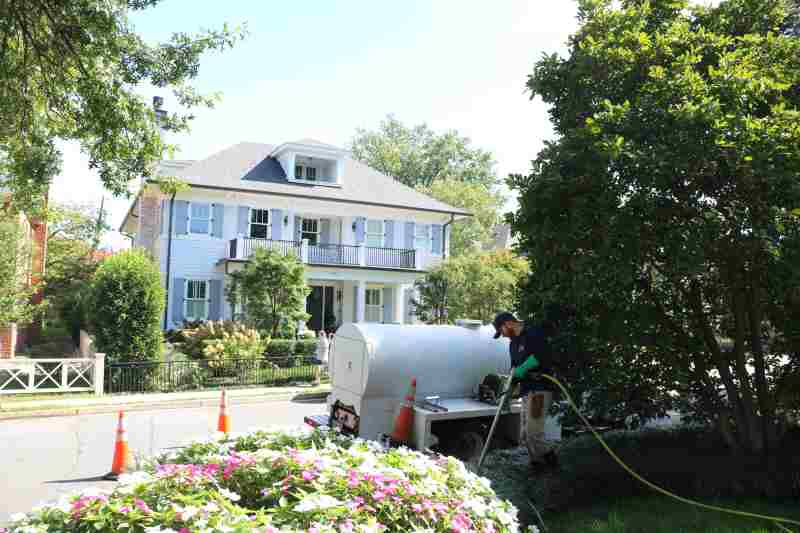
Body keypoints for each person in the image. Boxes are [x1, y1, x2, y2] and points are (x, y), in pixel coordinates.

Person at [492, 311, 558, 472]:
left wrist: (524, 368)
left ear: (508, 323)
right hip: (527, 391)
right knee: (524, 435)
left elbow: (542, 356)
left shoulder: (533, 333)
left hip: (540, 390)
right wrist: (509, 388)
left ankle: (553, 465)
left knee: (533, 433)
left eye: (501, 331)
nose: (503, 335)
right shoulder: (513, 344)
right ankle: (537, 465)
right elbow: (514, 368)